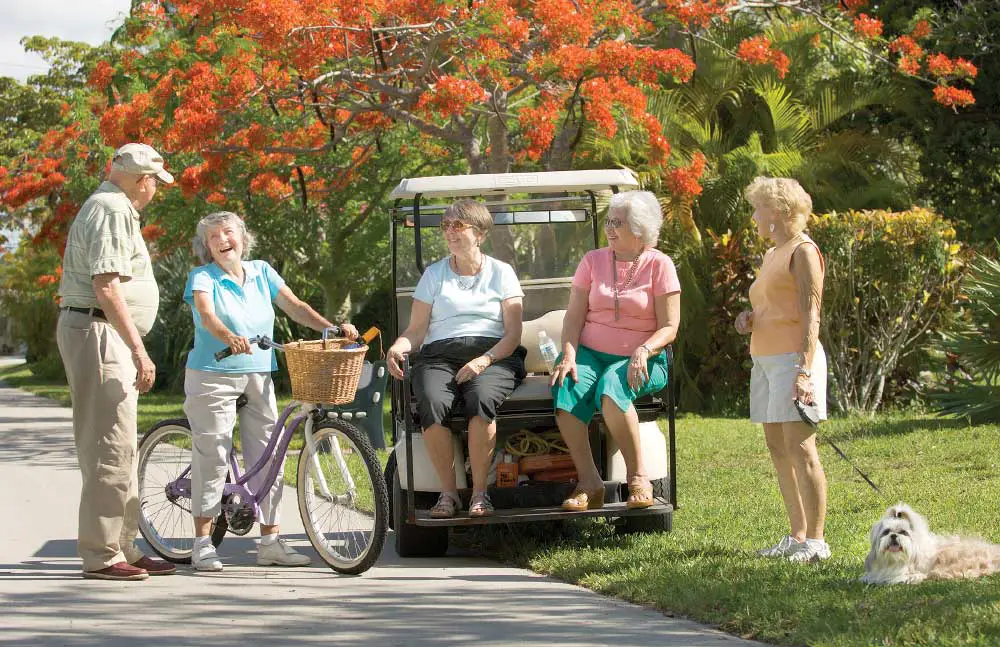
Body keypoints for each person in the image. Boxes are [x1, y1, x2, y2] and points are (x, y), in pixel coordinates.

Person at [183, 211, 358, 571]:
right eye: (213, 237)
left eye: (227, 232)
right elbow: (206, 314)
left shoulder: (262, 271)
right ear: (207, 247)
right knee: (213, 453)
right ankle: (202, 543)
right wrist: (228, 337)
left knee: (269, 455)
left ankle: (270, 543)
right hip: (212, 373)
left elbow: (295, 307)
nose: (221, 240)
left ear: (243, 238)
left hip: (259, 373)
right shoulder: (202, 277)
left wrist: (331, 331)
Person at [56, 143, 178, 580]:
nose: (155, 191)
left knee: (121, 446)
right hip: (98, 332)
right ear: (141, 180)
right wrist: (139, 350)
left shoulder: (113, 206)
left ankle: (122, 545)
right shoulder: (111, 208)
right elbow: (106, 287)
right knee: (109, 447)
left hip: (101, 332)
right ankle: (103, 554)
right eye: (154, 183)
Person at [386, 200, 525, 518]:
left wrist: (483, 362)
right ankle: (448, 494)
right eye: (445, 225)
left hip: (494, 355)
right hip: (439, 355)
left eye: (457, 225)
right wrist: (398, 347)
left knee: (482, 397)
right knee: (431, 401)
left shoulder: (502, 273)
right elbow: (417, 330)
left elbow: (513, 334)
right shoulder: (434, 275)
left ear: (479, 233)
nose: (449, 231)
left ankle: (480, 494)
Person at [550, 191, 681, 512]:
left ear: (639, 230)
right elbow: (574, 316)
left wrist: (643, 349)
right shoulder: (592, 261)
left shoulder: (660, 265)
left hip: (644, 357)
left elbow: (670, 327)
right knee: (565, 383)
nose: (609, 228)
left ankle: (638, 478)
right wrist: (568, 353)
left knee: (612, 387)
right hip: (590, 352)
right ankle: (589, 481)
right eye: (608, 221)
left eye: (617, 223)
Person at [735, 176, 830, 563]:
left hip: (794, 361)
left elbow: (811, 315)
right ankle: (797, 535)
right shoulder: (774, 252)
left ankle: (817, 542)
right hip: (765, 361)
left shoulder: (803, 251)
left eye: (758, 208)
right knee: (778, 449)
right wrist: (749, 319)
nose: (754, 216)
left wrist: (804, 371)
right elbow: (774, 306)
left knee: (801, 449)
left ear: (776, 212)